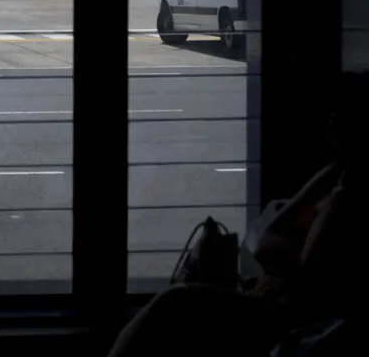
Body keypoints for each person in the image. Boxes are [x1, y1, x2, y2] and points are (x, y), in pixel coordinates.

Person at [106, 80, 359, 357]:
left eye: (339, 119)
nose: (329, 126)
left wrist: (279, 243)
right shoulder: (335, 179)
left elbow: (284, 259)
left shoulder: (343, 197)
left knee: (173, 302)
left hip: (277, 314)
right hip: (275, 301)